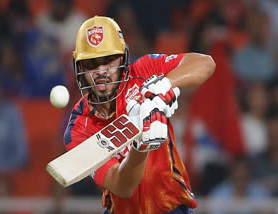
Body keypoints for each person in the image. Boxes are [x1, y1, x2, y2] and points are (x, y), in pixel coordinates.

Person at [64, 16, 215, 214]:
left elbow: (205, 62)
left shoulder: (144, 71)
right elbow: (122, 186)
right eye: (91, 64)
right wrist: (141, 145)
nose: (101, 71)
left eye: (108, 60)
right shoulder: (78, 129)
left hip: (172, 209)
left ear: (123, 57)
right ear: (79, 67)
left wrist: (163, 86)